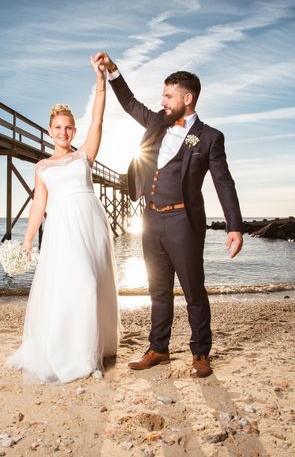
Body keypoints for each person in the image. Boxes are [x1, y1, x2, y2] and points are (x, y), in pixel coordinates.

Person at [94, 52, 244, 378]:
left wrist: (234, 225)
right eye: (162, 95)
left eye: (168, 95)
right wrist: (114, 72)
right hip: (151, 218)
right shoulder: (156, 122)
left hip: (183, 222)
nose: (162, 101)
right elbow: (130, 103)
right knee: (158, 290)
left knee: (193, 291)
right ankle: (158, 349)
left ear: (187, 99)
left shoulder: (209, 137)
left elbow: (223, 182)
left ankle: (200, 353)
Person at [7, 57, 118, 383]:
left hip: (90, 224)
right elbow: (39, 204)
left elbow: (97, 119)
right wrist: (27, 239)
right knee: (75, 286)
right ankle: (78, 358)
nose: (64, 132)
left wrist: (100, 82)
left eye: (69, 127)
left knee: (92, 285)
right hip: (60, 230)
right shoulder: (42, 167)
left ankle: (91, 352)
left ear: (74, 129)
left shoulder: (84, 155)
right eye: (58, 127)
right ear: (50, 130)